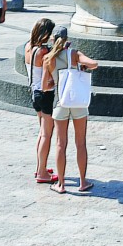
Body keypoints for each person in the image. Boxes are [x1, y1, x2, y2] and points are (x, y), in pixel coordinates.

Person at [42, 26, 99, 194]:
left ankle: (61, 184)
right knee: (80, 143)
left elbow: (45, 86)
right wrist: (81, 68)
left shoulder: (48, 58)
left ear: (53, 39)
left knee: (61, 144)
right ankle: (83, 182)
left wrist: (56, 81)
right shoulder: (73, 53)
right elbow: (94, 64)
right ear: (67, 39)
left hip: (61, 103)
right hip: (78, 103)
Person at [25, 17, 57, 182]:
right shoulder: (44, 52)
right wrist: (55, 80)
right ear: (46, 33)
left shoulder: (28, 47)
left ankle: (41, 167)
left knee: (42, 133)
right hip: (45, 95)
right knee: (46, 135)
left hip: (33, 93)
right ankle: (42, 174)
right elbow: (46, 83)